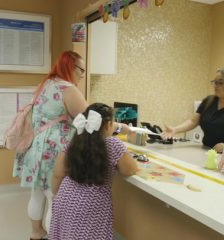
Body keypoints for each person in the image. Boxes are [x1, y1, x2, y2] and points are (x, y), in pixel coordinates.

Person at [13, 51, 132, 240]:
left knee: (36, 195)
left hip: (35, 148)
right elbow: (95, 121)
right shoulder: (67, 89)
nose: (83, 74)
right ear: (70, 67)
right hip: (54, 150)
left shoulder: (44, 85)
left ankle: (36, 234)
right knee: (55, 199)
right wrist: (122, 127)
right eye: (81, 70)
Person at [49, 103, 138, 240]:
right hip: (91, 206)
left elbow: (58, 174)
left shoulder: (74, 142)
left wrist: (55, 194)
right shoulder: (112, 144)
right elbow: (130, 169)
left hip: (65, 199)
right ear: (108, 125)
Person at [162, 67, 224, 155]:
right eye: (214, 82)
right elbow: (193, 121)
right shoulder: (209, 101)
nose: (216, 85)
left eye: (220, 82)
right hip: (209, 153)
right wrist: (175, 129)